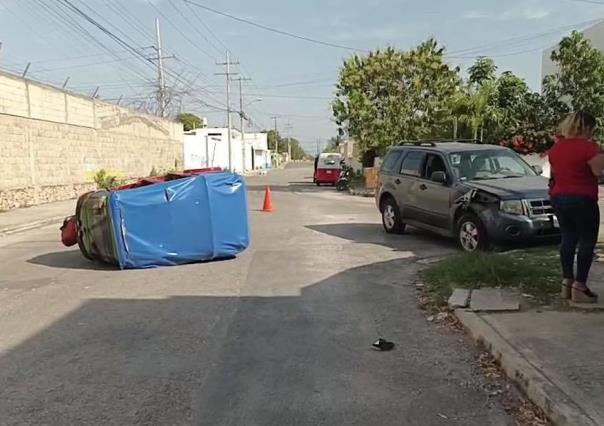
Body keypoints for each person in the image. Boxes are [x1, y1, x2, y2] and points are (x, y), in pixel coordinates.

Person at [549, 112, 604, 303]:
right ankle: (580, 286)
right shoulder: (590, 148)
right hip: (583, 198)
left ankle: (566, 282)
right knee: (587, 241)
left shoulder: (556, 148)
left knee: (568, 237)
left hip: (558, 197)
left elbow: (555, 173)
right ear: (587, 127)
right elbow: (598, 172)